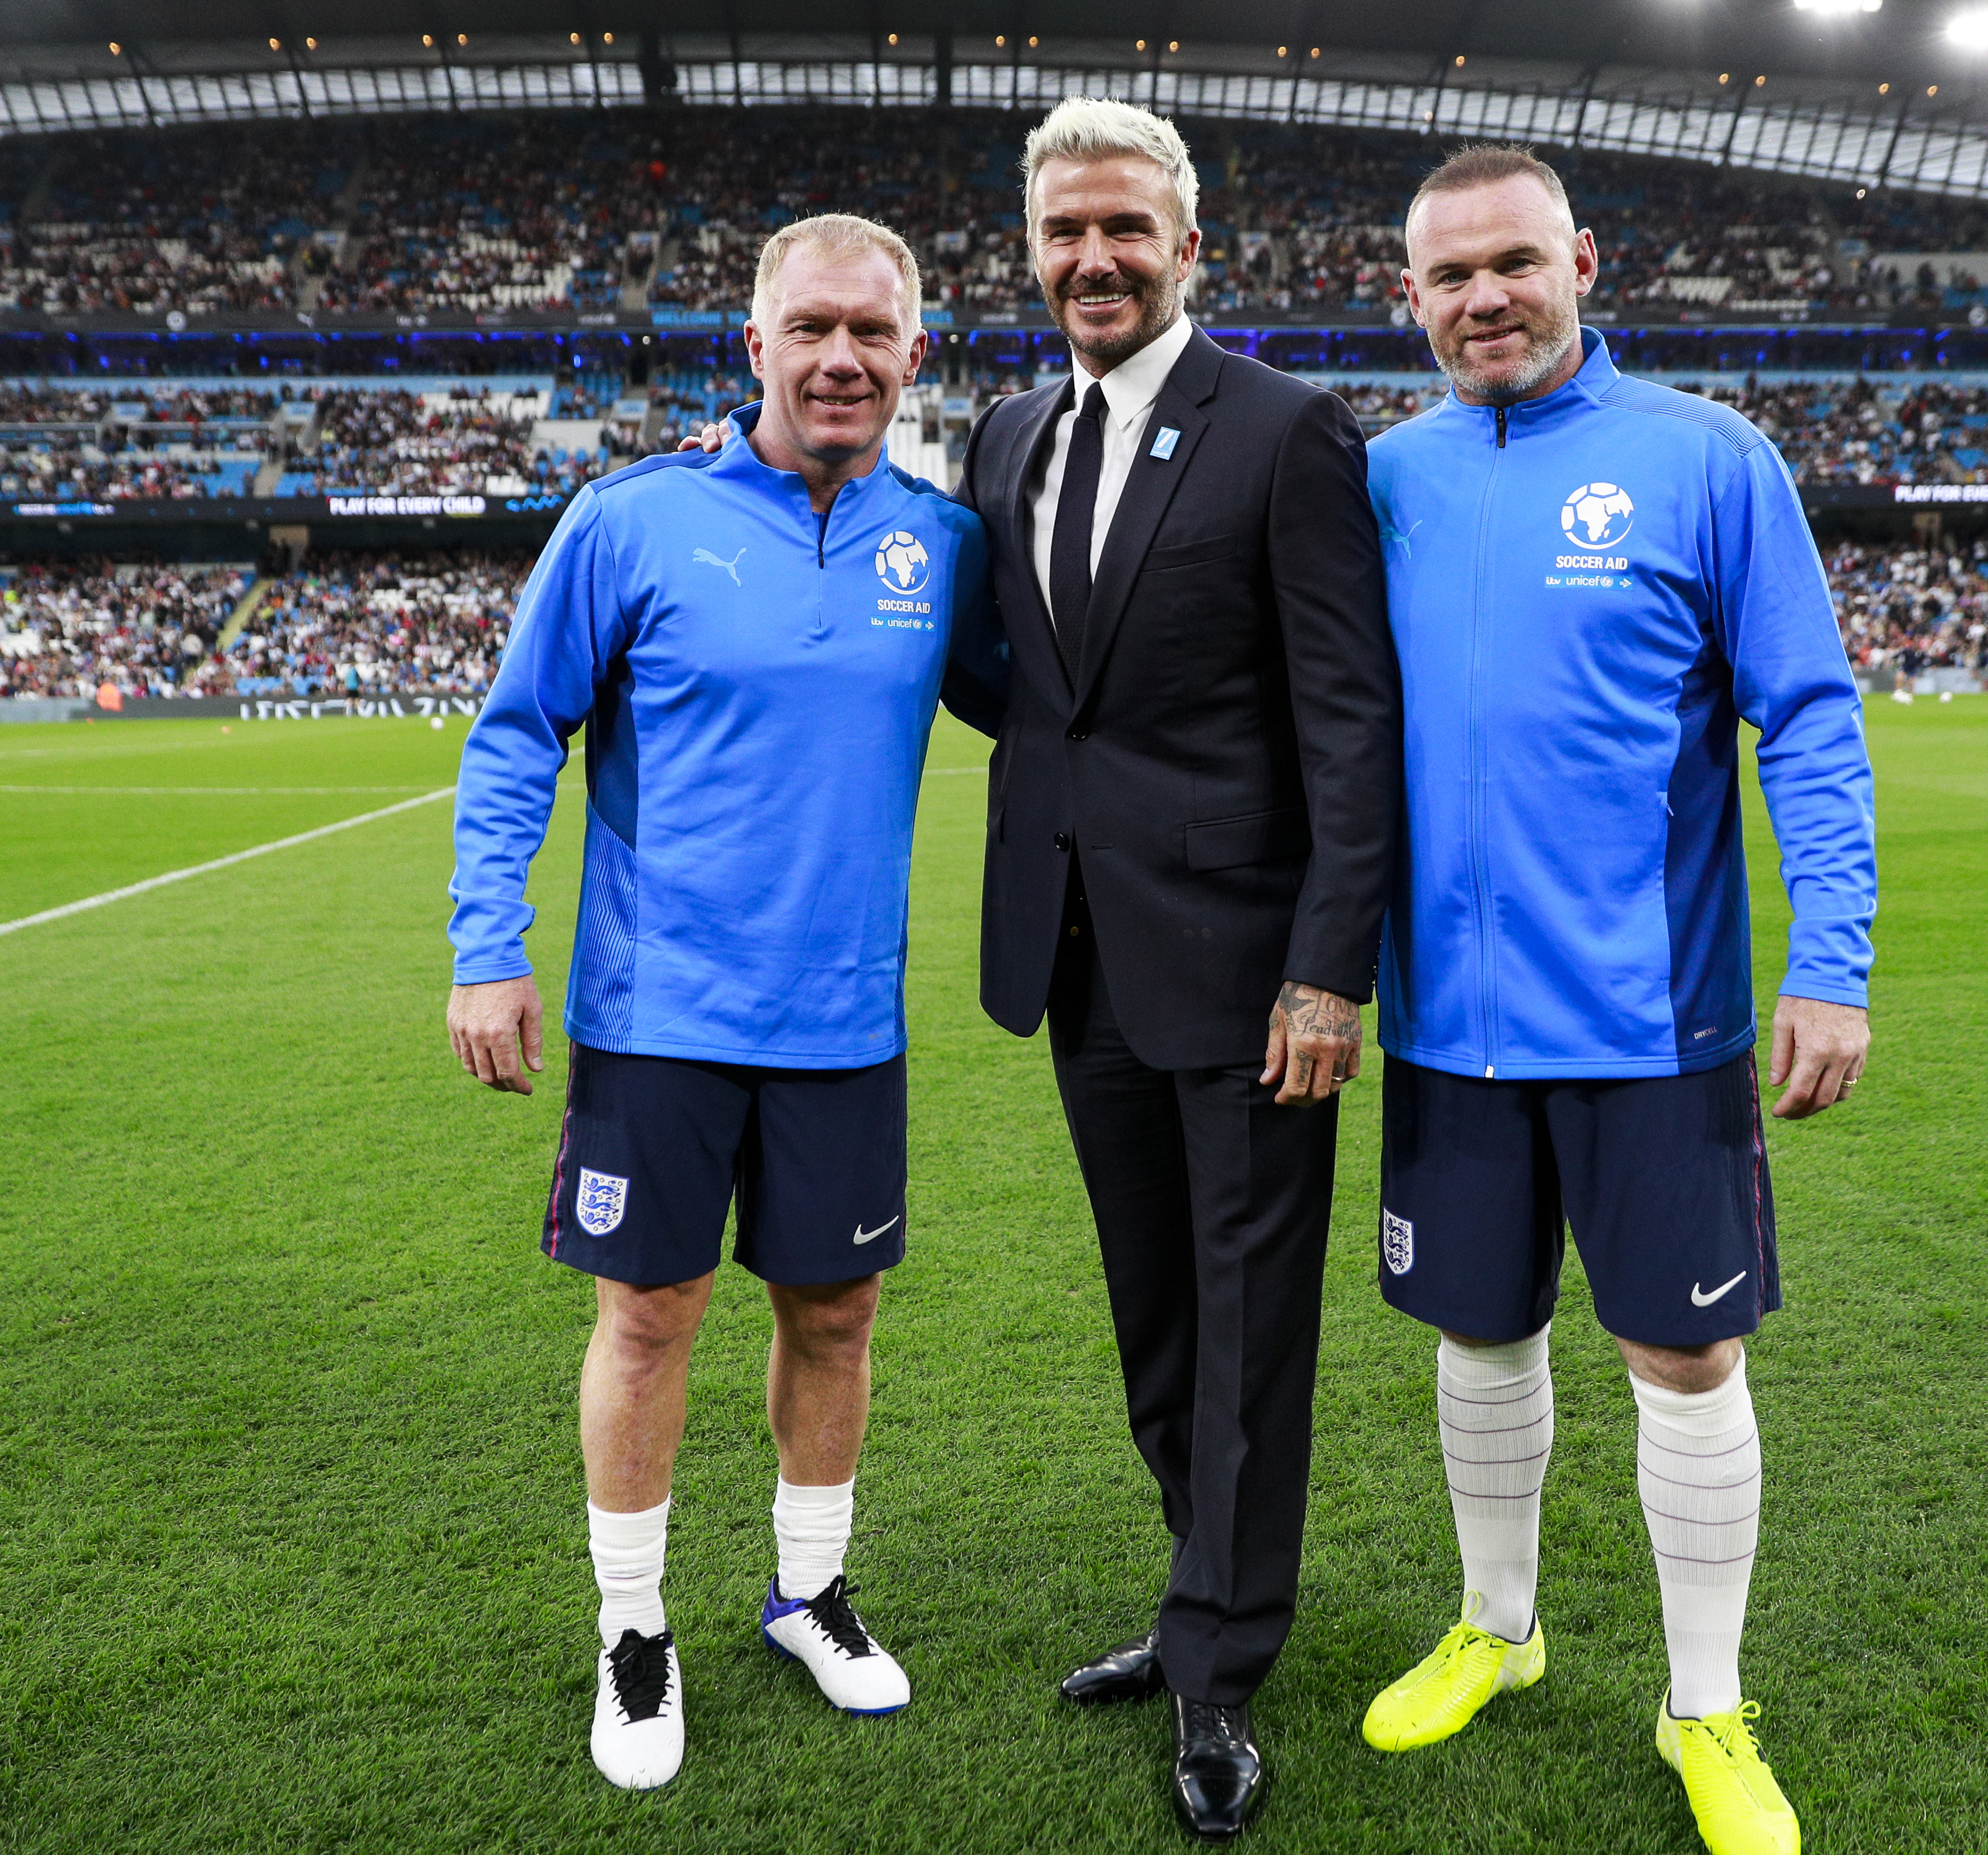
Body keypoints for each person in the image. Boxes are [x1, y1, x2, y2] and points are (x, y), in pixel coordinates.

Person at [1356, 145, 1874, 1855]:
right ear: (1406, 296)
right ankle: (1498, 1628)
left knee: (1682, 1344)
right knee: (1477, 1327)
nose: (1482, 298)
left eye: (1511, 261)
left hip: (1654, 1018)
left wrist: (1829, 962)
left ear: (1580, 259)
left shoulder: (1703, 458)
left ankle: (1702, 1700)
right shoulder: (1384, 479)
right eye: (1447, 277)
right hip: (1439, 1018)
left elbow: (1802, 715)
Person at [446, 214, 1004, 1793]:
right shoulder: (630, 520)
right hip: (657, 1015)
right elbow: (512, 735)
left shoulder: (940, 546)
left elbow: (1060, 702)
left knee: (835, 1312)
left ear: (915, 354)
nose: (842, 358)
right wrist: (490, 941)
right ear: (749, 347)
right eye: (809, 328)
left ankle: (806, 1587)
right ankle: (633, 1626)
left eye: (872, 334)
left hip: (846, 1020)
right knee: (647, 1313)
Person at [955, 97, 1397, 1841]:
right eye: (1064, 232)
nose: (1091, 259)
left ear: (1185, 246)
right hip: (1081, 959)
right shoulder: (1002, 436)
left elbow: (1347, 728)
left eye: (1123, 229)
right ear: (1033, 248)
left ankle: (1219, 1660)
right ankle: (1191, 1586)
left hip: (1247, 972)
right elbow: (1028, 684)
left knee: (1247, 1328)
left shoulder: (1286, 432)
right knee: (1154, 1313)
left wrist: (1327, 967)